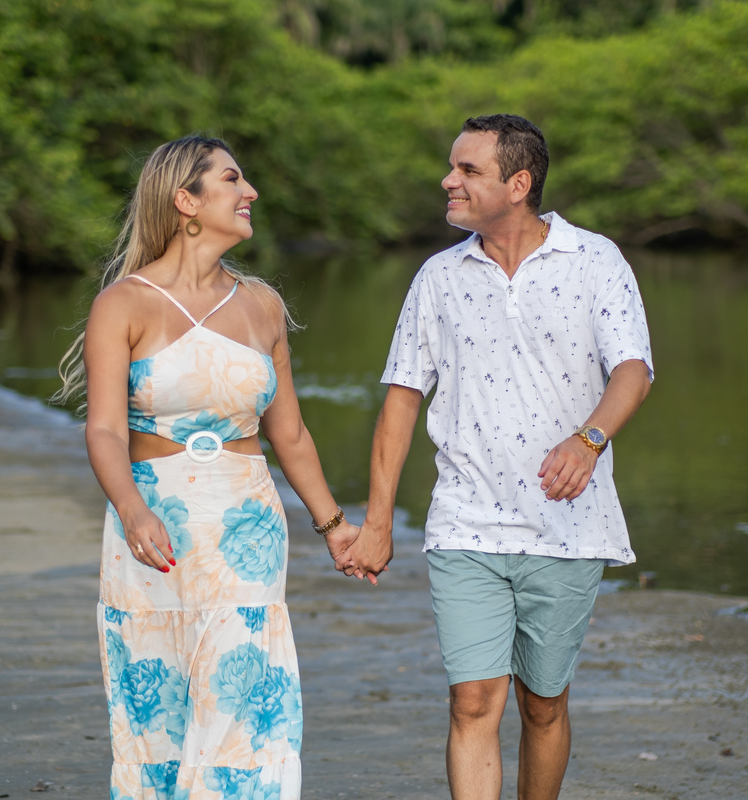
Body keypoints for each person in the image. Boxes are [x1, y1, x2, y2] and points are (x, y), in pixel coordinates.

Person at [341, 114, 654, 800]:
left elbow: (633, 370)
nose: (447, 181)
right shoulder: (438, 277)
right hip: (465, 524)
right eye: (451, 167)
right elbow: (402, 400)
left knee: (543, 703)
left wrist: (589, 439)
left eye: (467, 170)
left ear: (518, 184)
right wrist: (378, 522)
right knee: (473, 702)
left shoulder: (595, 259)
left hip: (567, 525)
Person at [55, 135, 367, 800]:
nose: (250, 192)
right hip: (153, 523)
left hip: (246, 525)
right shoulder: (124, 303)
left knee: (240, 696)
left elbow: (290, 433)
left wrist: (334, 524)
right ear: (186, 201)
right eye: (232, 179)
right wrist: (131, 508)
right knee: (158, 699)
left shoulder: (263, 306)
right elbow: (105, 429)